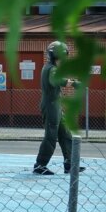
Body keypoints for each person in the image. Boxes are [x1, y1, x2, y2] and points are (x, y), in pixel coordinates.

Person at [33, 41, 84, 175]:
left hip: (55, 106)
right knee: (51, 136)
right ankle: (40, 165)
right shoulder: (51, 69)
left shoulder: (50, 67)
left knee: (65, 134)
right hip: (51, 107)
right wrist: (73, 83)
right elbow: (57, 80)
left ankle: (70, 164)